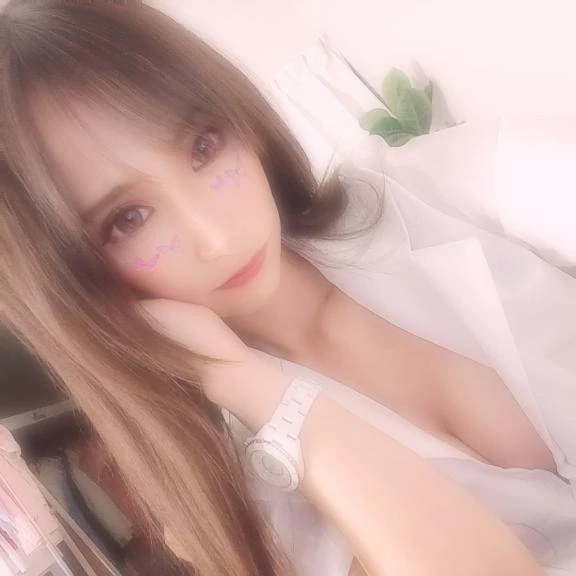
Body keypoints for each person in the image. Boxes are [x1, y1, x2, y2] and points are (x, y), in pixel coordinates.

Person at [0, 1, 573, 575]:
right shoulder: (243, 501)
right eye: (128, 220)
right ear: (73, 284)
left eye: (203, 147)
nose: (217, 236)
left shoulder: (447, 189)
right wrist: (254, 389)